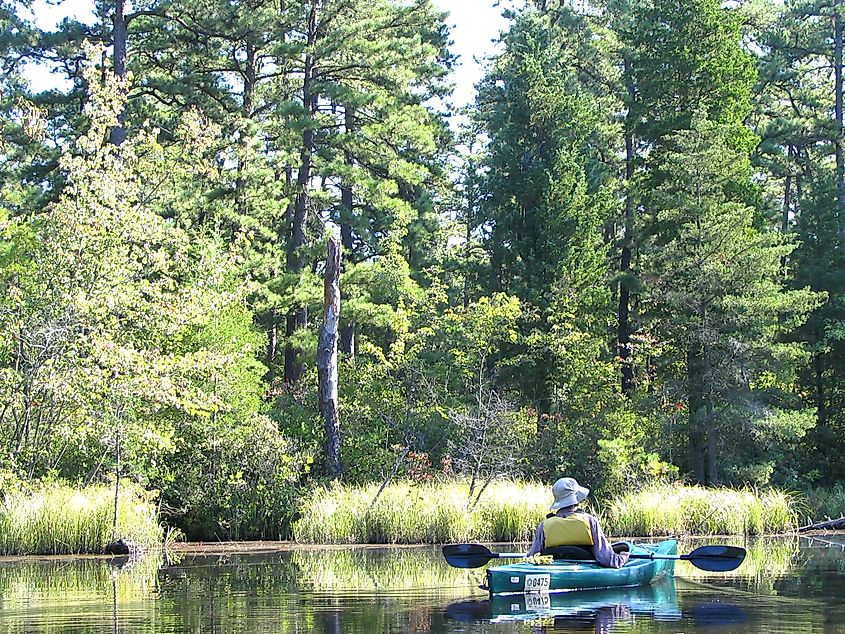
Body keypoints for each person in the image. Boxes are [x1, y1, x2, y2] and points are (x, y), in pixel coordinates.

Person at [526, 476, 630, 568]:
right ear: (575, 497)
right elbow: (605, 558)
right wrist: (623, 557)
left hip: (555, 569)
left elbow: (532, 557)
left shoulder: (544, 525)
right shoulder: (589, 521)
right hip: (585, 569)